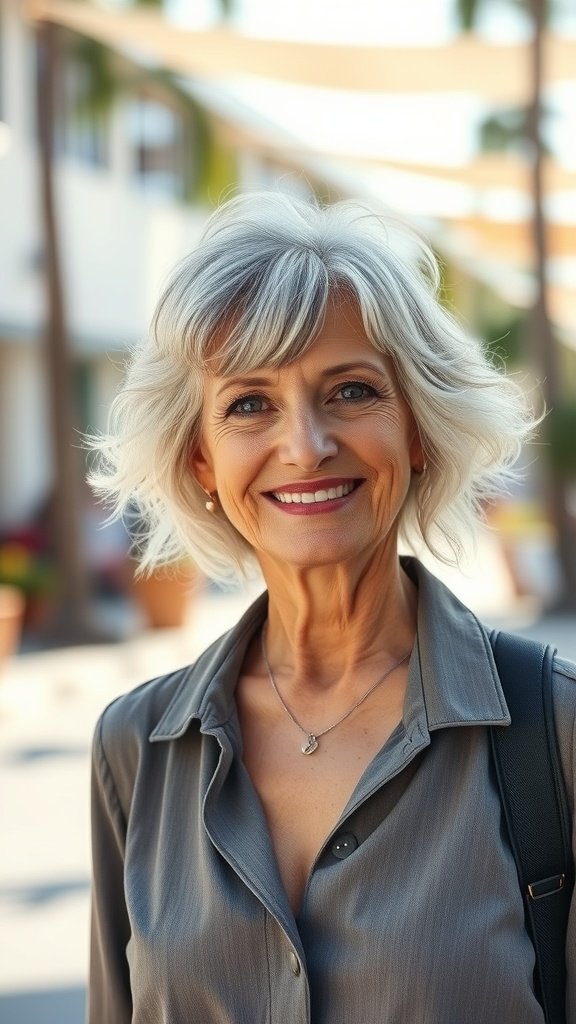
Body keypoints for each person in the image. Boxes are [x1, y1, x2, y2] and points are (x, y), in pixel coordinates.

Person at [87, 190, 576, 1023]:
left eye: (350, 391)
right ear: (202, 459)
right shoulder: (137, 749)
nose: (305, 446)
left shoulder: (556, 728)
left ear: (417, 428)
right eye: (249, 404)